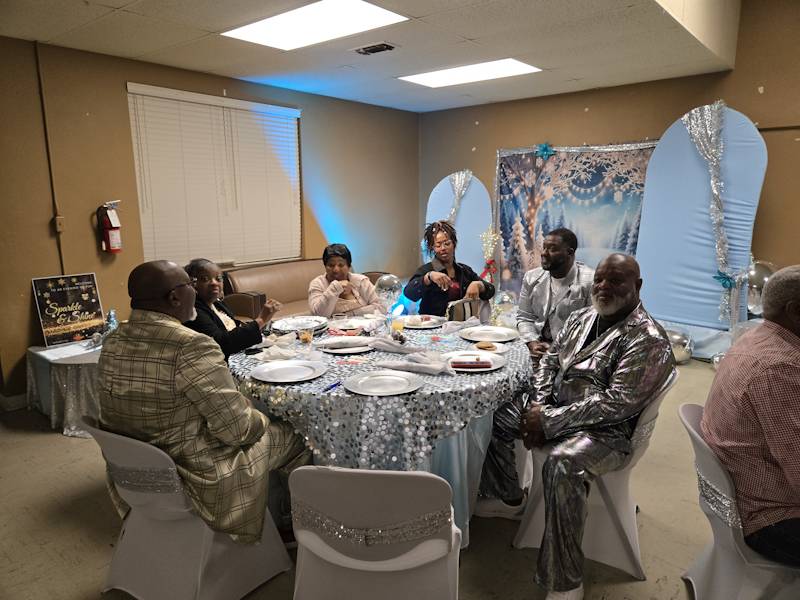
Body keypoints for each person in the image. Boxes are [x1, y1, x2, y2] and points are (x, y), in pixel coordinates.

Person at [97, 260, 310, 543]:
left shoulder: (112, 340)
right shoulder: (190, 345)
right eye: (190, 284)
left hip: (132, 470)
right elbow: (238, 430)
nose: (196, 291)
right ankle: (284, 525)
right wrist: (261, 413)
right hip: (195, 474)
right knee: (299, 433)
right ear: (175, 297)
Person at [519, 253, 674, 600]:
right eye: (600, 279)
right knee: (500, 412)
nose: (603, 286)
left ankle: (565, 581)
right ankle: (504, 499)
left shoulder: (647, 338)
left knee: (563, 463)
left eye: (616, 280)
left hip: (609, 433)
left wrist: (547, 420)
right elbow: (549, 360)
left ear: (638, 286)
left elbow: (616, 403)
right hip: (559, 411)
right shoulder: (582, 316)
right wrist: (540, 404)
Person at [477, 228, 594, 517]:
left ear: (570, 253)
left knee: (496, 417)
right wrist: (531, 341)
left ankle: (509, 499)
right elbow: (524, 317)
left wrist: (556, 352)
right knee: (504, 389)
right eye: (544, 248)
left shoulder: (589, 282)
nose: (544, 253)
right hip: (534, 355)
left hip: (566, 369)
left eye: (552, 249)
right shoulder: (533, 278)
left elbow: (592, 333)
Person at [701, 265, 800, 567]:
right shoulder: (779, 369)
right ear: (795, 311)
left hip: (750, 495)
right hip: (772, 518)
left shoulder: (758, 338)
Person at [183, 258, 281, 359]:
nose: (214, 283)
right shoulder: (193, 312)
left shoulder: (216, 303)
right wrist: (260, 320)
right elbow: (221, 344)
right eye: (205, 279)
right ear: (192, 284)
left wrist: (263, 323)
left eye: (218, 279)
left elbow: (233, 327)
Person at [404, 220, 495, 316]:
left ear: (454, 244)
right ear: (432, 248)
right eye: (438, 245)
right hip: (432, 327)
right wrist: (428, 277)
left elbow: (490, 291)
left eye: (447, 243)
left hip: (460, 325)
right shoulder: (426, 270)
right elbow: (409, 293)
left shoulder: (464, 270)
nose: (443, 248)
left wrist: (479, 285)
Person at [308, 243, 384, 318]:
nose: (335, 270)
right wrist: (335, 288)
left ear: (349, 266)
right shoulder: (318, 284)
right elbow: (318, 315)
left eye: (341, 265)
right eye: (331, 265)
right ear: (325, 266)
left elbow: (381, 307)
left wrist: (348, 315)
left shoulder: (361, 281)